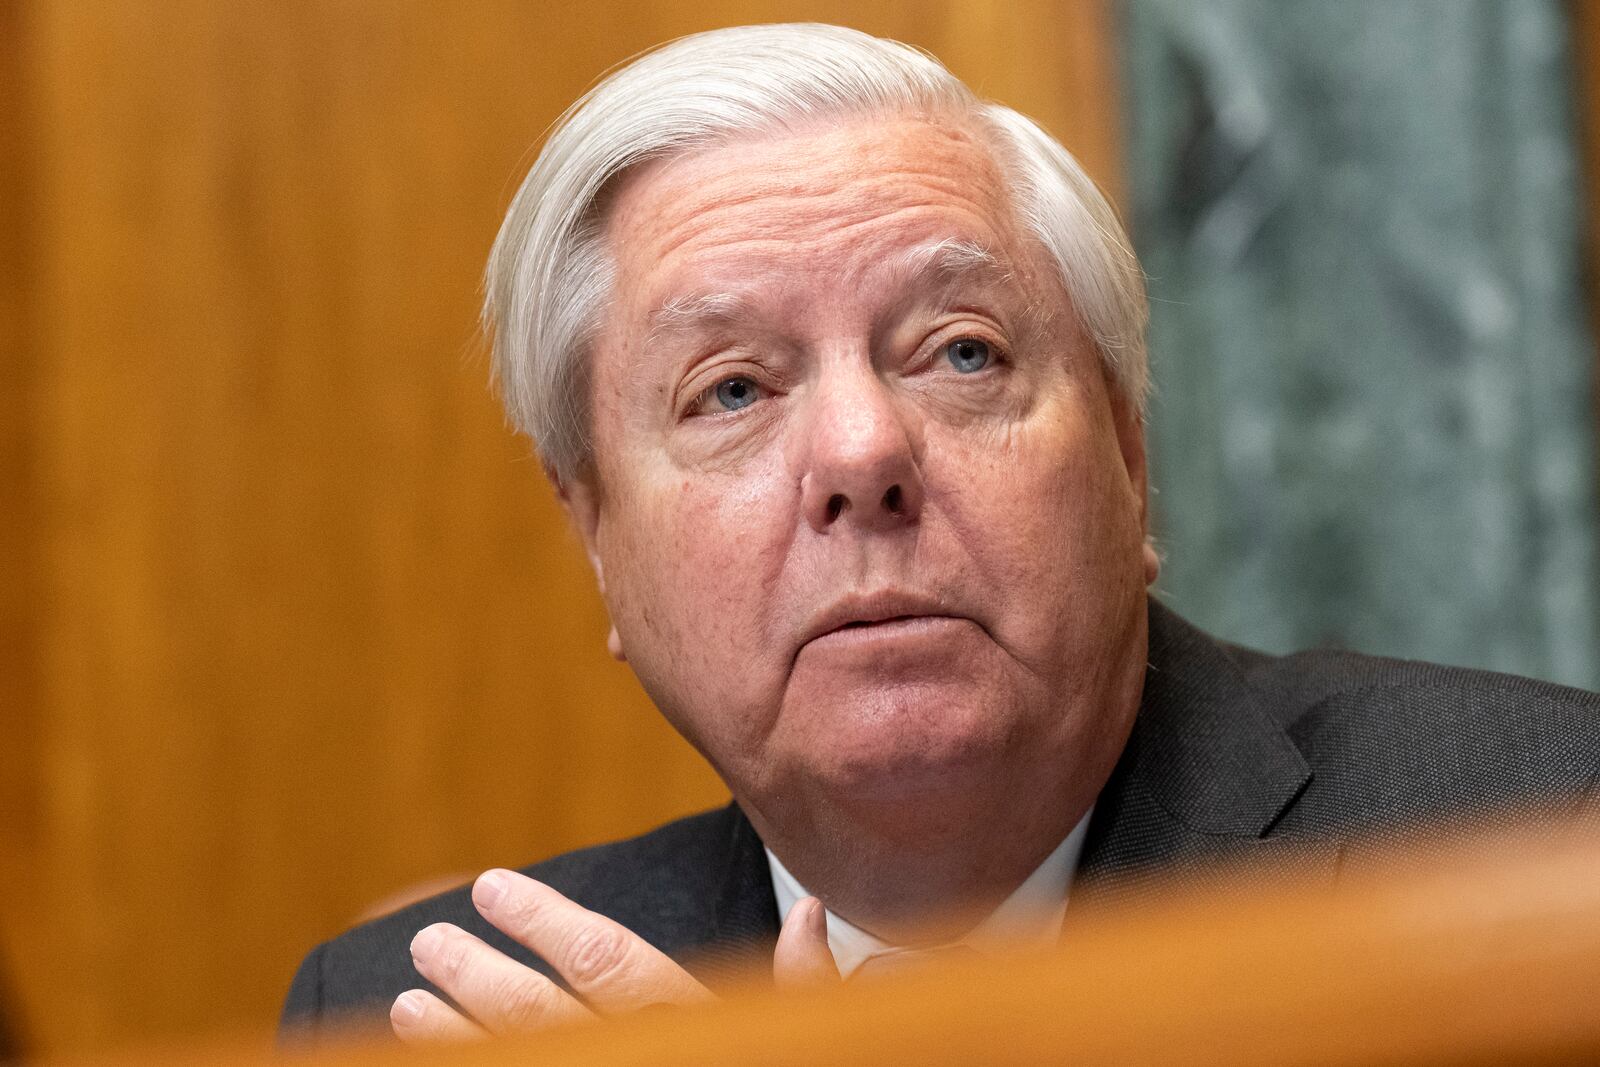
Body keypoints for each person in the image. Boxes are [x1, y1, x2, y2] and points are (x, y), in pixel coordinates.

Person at [279, 23, 1600, 1044]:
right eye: (731, 389)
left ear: (1133, 465)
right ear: (598, 541)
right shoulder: (416, 1020)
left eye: (959, 354)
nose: (861, 455)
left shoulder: (1543, 833)